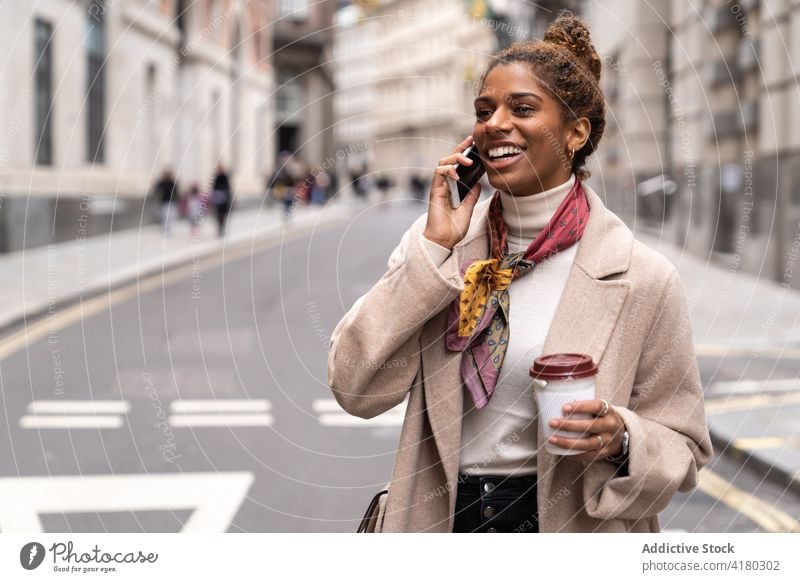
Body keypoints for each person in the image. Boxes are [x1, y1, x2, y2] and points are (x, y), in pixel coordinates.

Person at [327, 11, 711, 533]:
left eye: (522, 108)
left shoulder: (643, 276)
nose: (494, 124)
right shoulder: (439, 250)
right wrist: (436, 247)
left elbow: (683, 448)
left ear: (575, 133)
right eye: (484, 111)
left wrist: (621, 438)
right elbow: (355, 388)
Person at [154, 168, 178, 236]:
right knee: (164, 216)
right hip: (164, 202)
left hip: (171, 202)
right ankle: (165, 228)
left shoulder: (172, 182)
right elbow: (156, 190)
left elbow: (176, 192)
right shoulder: (161, 182)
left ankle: (169, 229)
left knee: (171, 216)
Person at [211, 163, 232, 237]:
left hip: (223, 200)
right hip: (218, 199)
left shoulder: (225, 177)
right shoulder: (216, 177)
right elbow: (213, 187)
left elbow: (228, 188)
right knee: (219, 215)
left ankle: (221, 228)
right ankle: (220, 228)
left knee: (222, 215)